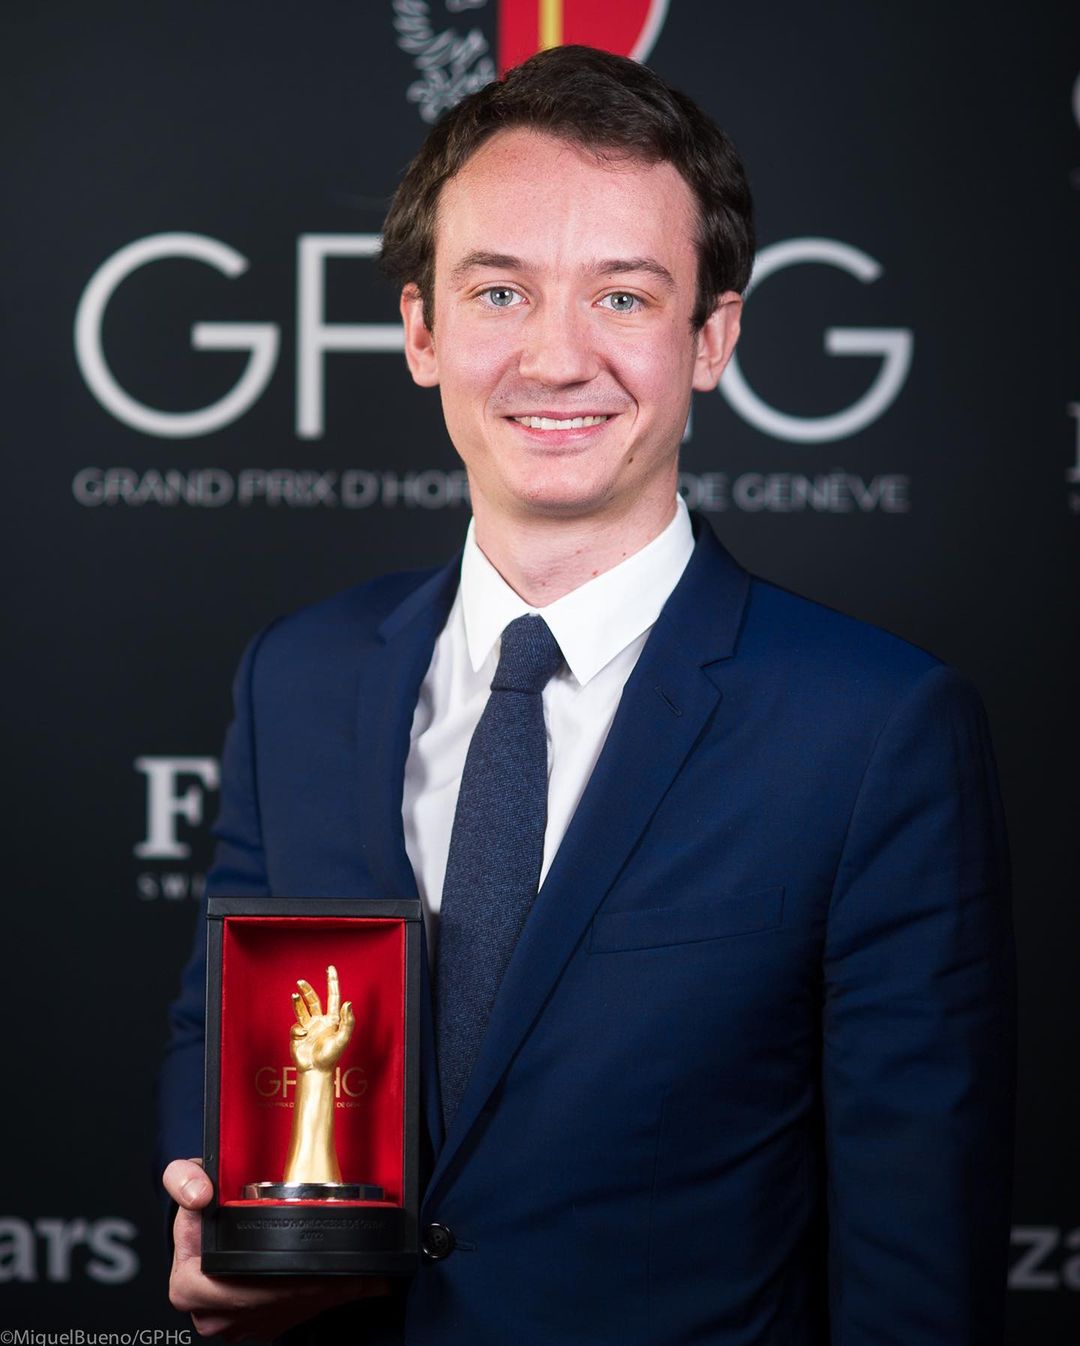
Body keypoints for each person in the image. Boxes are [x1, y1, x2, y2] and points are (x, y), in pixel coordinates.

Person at [159, 44, 1015, 1345]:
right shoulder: (300, 674)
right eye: (499, 290)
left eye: (622, 298)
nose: (556, 358)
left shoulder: (876, 730)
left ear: (712, 337)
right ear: (419, 330)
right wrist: (204, 1196)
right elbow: (222, 1030)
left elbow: (917, 1267)